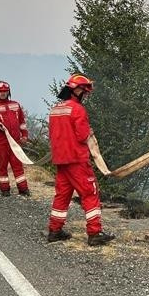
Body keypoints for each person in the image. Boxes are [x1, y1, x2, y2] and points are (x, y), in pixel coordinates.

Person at [46, 74, 114, 246]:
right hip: (77, 160)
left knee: (62, 196)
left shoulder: (55, 109)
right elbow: (83, 135)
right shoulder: (78, 110)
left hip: (61, 161)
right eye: (84, 92)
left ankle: (55, 230)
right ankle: (94, 232)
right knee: (90, 193)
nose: (85, 95)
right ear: (76, 90)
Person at [0, 81, 30, 197]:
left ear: (8, 92)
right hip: (0, 143)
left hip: (15, 143)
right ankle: (5, 190)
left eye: (5, 91)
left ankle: (23, 189)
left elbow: (22, 122)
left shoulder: (16, 105)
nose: (3, 94)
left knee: (18, 166)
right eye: (0, 92)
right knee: (2, 166)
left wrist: (24, 135)